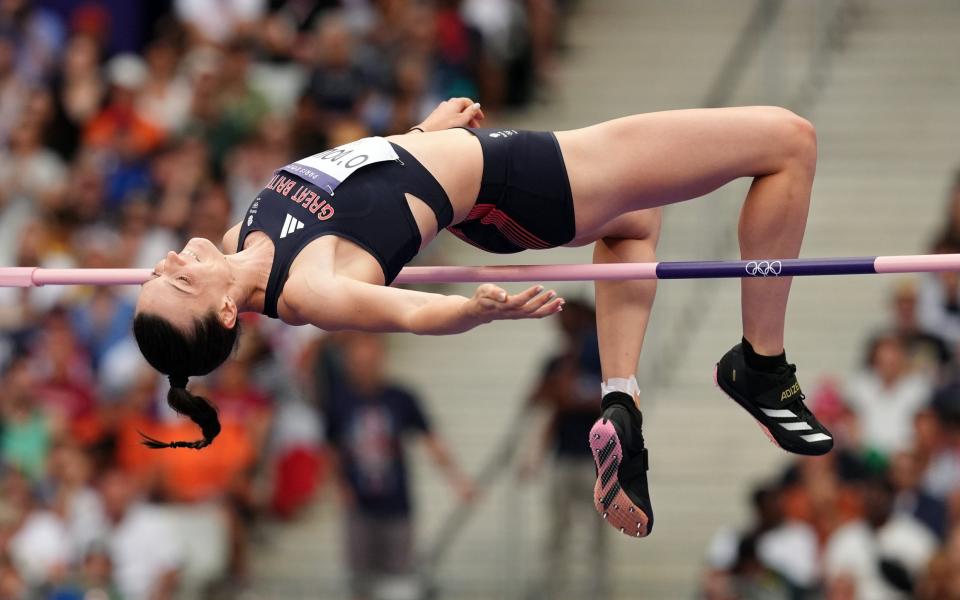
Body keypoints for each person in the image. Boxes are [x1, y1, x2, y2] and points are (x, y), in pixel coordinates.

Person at [133, 97, 833, 538]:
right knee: (788, 140)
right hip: (532, 181)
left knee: (634, 225)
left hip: (484, 185)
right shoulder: (309, 289)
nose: (167, 263)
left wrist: (420, 135)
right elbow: (405, 312)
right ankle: (760, 366)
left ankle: (621, 398)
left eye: (158, 273)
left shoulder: (237, 242)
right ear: (226, 310)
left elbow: (356, 183)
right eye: (176, 285)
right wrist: (473, 311)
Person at [323, 332, 473, 599]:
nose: (364, 367)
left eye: (369, 359)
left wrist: (457, 479)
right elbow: (332, 449)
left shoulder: (400, 398)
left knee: (398, 579)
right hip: (359, 504)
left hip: (396, 503)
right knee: (360, 578)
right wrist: (340, 484)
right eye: (358, 361)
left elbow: (431, 441)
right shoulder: (339, 402)